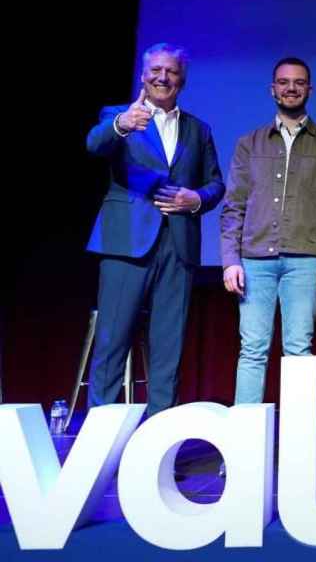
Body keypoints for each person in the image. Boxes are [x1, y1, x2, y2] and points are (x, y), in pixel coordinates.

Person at [84, 42, 224, 416]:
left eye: (172, 71)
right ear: (143, 76)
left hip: (178, 245)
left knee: (169, 346)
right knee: (113, 341)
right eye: (156, 71)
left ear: (182, 79)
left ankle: (160, 439)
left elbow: (215, 183)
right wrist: (121, 125)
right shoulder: (118, 115)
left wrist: (195, 198)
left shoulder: (198, 129)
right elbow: (94, 143)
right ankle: (103, 439)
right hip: (126, 242)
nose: (163, 77)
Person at [220, 57, 316, 414]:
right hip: (255, 261)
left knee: (298, 351)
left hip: (305, 261)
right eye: (283, 82)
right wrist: (230, 260)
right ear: (272, 89)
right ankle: (244, 444)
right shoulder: (250, 143)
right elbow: (234, 206)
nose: (291, 88)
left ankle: (298, 448)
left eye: (298, 82)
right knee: (253, 350)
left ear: (310, 89)